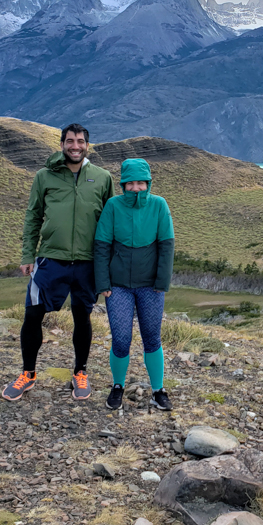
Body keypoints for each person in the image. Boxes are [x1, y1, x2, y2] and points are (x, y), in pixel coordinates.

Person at [2, 123, 114, 402]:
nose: (75, 146)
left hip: (87, 263)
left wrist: (109, 263)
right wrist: (28, 254)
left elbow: (110, 223)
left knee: (82, 316)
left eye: (80, 141)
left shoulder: (102, 177)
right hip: (51, 259)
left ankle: (80, 372)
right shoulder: (45, 176)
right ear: (62, 144)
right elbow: (33, 217)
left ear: (88, 145)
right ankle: (28, 373)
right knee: (32, 315)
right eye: (70, 141)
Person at [93, 158, 175, 411]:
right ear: (123, 185)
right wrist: (103, 283)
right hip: (117, 287)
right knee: (120, 339)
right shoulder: (113, 206)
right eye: (131, 184)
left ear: (148, 184)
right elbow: (101, 246)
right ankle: (117, 386)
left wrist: (161, 282)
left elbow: (166, 245)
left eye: (141, 183)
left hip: (150, 286)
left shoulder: (159, 205)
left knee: (152, 338)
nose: (136, 188)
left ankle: (158, 390)